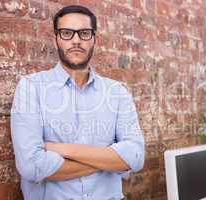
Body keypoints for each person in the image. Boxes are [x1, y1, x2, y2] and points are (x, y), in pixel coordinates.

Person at [10, 5, 145, 200]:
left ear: (94, 39)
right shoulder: (31, 88)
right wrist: (108, 159)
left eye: (84, 33)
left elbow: (136, 156)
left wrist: (63, 149)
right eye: (66, 33)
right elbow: (31, 166)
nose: (76, 40)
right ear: (55, 39)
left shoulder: (117, 92)